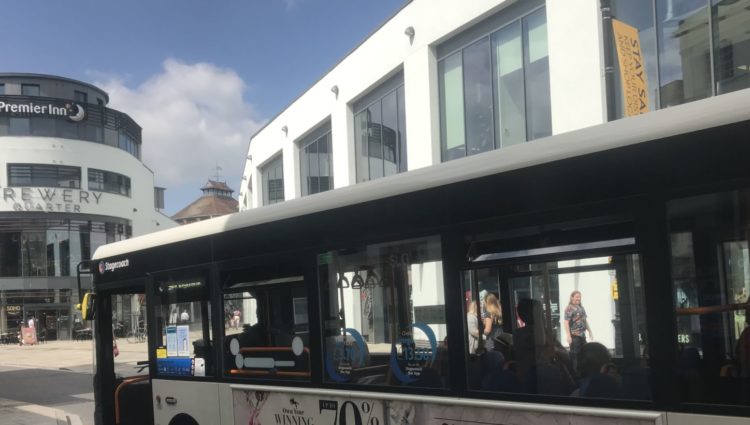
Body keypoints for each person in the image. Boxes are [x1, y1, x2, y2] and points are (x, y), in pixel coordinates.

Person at [564, 290, 593, 365]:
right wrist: (568, 336)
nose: (578, 299)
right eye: (577, 297)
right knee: (575, 356)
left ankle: (582, 371)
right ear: (572, 297)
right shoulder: (569, 308)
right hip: (574, 336)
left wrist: (590, 331)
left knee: (584, 354)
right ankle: (575, 373)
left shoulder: (581, 308)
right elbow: (566, 322)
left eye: (579, 297)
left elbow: (585, 321)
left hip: (582, 336)